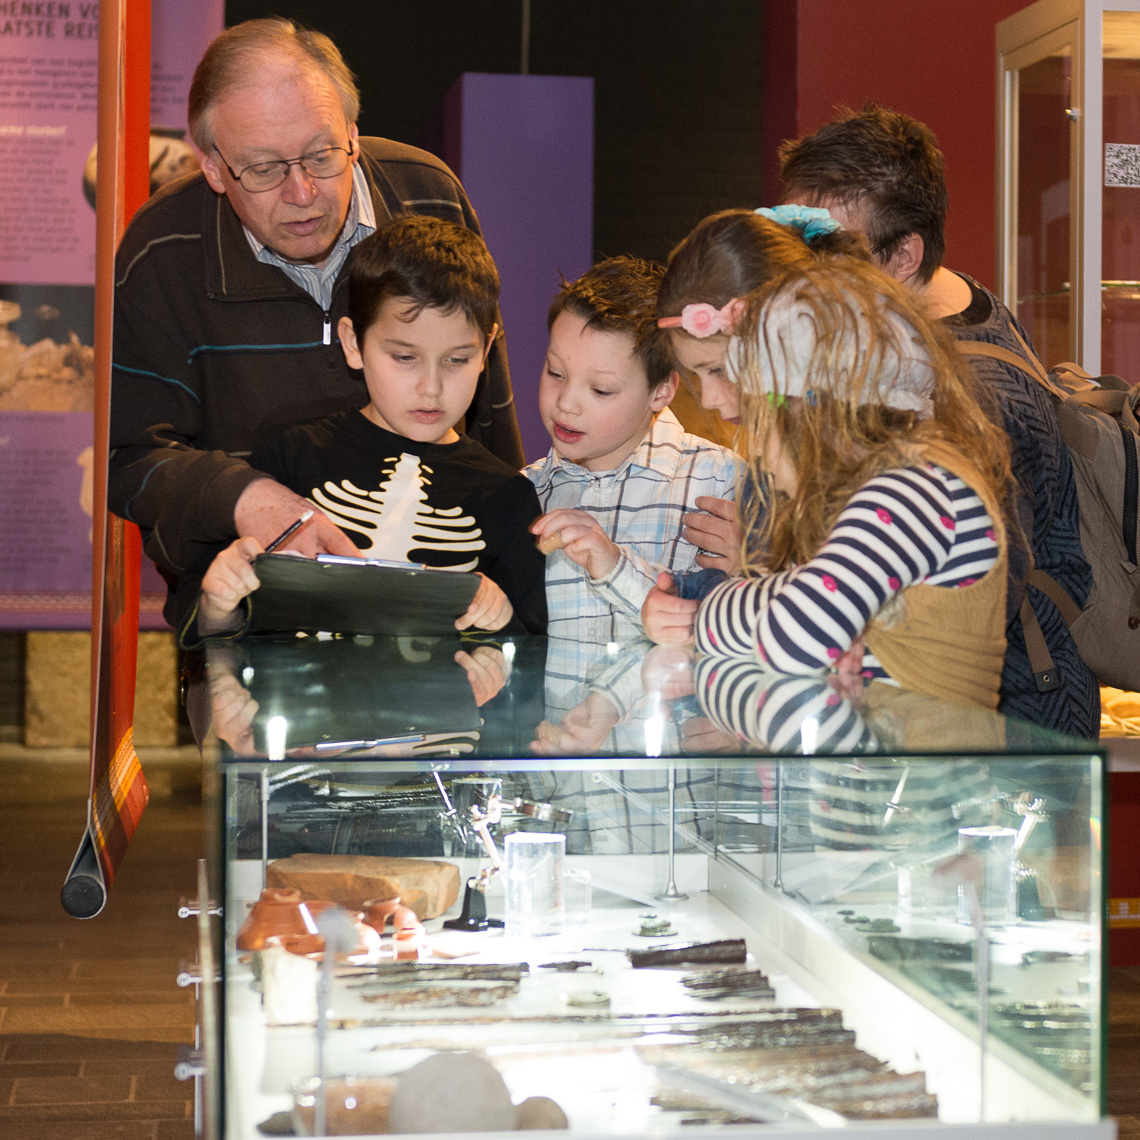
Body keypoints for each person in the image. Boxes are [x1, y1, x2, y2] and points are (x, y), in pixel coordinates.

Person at [109, 18, 524, 625]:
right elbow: (130, 458)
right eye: (264, 168)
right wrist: (242, 498)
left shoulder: (428, 194)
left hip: (446, 629)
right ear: (215, 168)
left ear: (353, 135)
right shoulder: (162, 248)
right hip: (247, 626)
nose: (303, 193)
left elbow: (489, 409)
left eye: (321, 155)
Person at [777, 104, 1099, 738]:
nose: (804, 272)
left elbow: (974, 595)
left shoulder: (966, 391)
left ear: (904, 256)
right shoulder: (947, 306)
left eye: (829, 249)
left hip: (1005, 728)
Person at [185, 215, 546, 646]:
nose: (430, 388)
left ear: (487, 349)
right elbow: (224, 634)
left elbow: (529, 658)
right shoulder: (291, 455)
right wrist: (217, 605)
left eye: (457, 359)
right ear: (354, 344)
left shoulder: (508, 497)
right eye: (404, 357)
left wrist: (503, 621)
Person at [689, 258, 1014, 710]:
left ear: (807, 412)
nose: (756, 450)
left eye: (759, 419)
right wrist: (793, 593)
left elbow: (795, 636)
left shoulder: (910, 489)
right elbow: (806, 609)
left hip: (932, 778)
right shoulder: (893, 483)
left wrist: (711, 606)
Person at [525, 256, 738, 649]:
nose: (566, 404)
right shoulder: (524, 491)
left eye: (601, 390)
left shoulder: (720, 482)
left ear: (661, 391)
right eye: (555, 373)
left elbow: (735, 627)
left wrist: (615, 567)